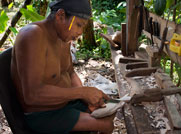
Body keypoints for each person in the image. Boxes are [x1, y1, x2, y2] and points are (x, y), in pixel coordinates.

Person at [10, 0, 115, 134]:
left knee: (109, 107)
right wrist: (81, 92)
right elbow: (32, 94)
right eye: (78, 25)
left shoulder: (63, 37)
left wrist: (85, 97)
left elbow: (70, 73)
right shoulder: (33, 35)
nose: (80, 32)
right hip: (43, 115)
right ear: (60, 16)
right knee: (106, 125)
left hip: (66, 104)